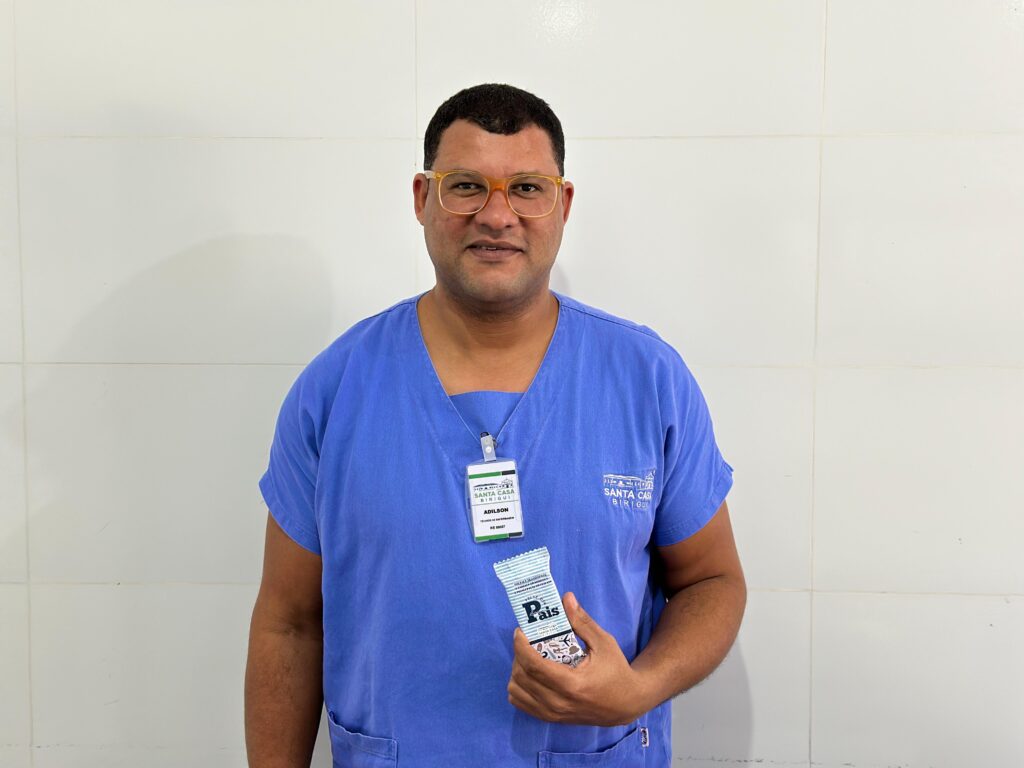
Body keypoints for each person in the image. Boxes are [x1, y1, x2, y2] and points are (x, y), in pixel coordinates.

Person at [245, 83, 746, 767]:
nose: (497, 215)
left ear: (563, 204)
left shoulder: (647, 380)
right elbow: (290, 624)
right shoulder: (335, 391)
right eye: (466, 187)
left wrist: (639, 688)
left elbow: (712, 582)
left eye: (527, 189)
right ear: (422, 198)